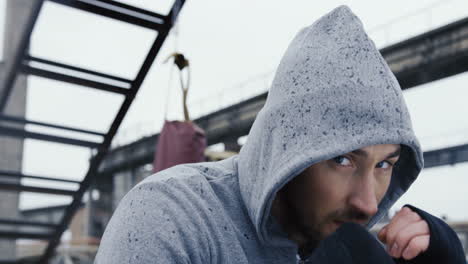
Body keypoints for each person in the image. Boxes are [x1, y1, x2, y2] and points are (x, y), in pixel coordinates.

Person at [94, 6, 466, 264]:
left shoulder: (348, 248)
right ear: (289, 152)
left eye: (385, 164)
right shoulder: (168, 219)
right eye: (342, 159)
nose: (369, 204)